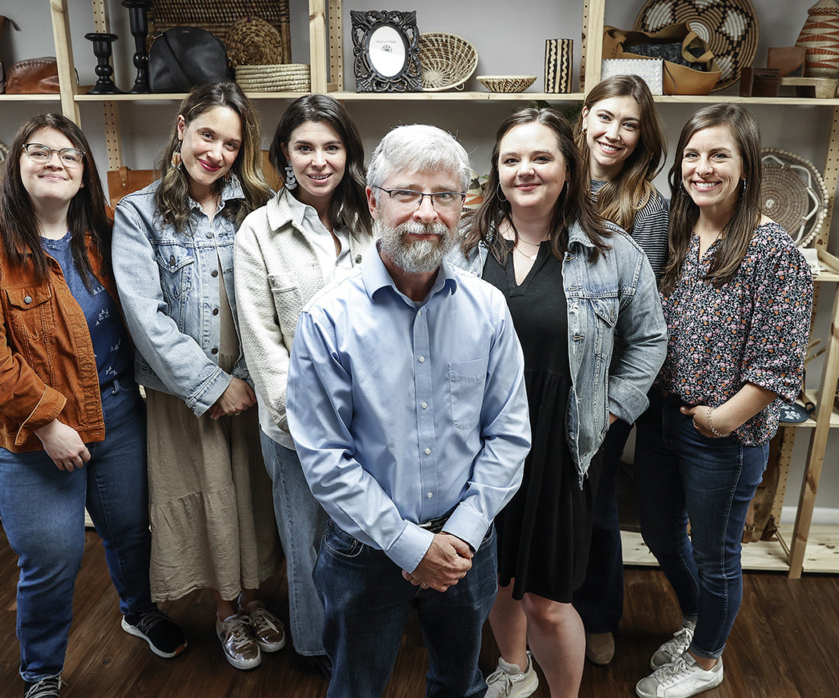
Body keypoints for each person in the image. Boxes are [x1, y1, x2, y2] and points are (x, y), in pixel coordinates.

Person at [0, 114, 185, 698]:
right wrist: (48, 421)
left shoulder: (102, 230)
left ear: (84, 173)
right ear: (18, 164)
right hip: (28, 434)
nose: (55, 163)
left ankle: (137, 610)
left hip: (118, 410)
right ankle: (42, 670)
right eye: (40, 152)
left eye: (69, 155)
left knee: (130, 528)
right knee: (52, 556)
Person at [285, 123, 532, 697]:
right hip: (365, 551)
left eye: (444, 196)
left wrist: (464, 533)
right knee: (356, 687)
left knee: (459, 683)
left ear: (463, 205)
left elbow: (509, 435)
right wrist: (408, 545)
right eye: (407, 194)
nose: (426, 212)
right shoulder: (328, 319)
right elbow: (324, 458)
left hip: (468, 542)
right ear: (373, 200)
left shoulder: (488, 309)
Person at [456, 107, 667, 698]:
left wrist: (613, 406)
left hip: (563, 443)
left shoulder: (612, 250)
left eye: (541, 157)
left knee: (547, 600)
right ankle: (514, 671)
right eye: (511, 159)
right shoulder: (463, 248)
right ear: (496, 170)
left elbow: (649, 338)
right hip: (480, 446)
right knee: (496, 581)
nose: (525, 170)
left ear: (569, 168)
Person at [634, 104, 813, 698]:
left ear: (745, 166)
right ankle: (698, 620)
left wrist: (721, 420)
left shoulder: (771, 247)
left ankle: (708, 660)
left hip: (724, 433)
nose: (702, 168)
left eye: (719, 155)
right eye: (692, 154)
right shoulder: (679, 233)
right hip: (665, 415)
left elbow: (778, 360)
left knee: (717, 554)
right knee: (660, 531)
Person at [111, 82, 284, 673]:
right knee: (209, 496)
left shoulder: (258, 206)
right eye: (207, 135)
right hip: (182, 393)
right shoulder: (139, 212)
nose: (217, 152)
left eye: (231, 144)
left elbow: (270, 297)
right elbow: (144, 313)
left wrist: (245, 377)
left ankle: (256, 596)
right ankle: (225, 607)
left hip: (253, 382)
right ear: (182, 128)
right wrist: (210, 385)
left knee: (252, 494)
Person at [233, 94, 372, 667]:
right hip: (298, 431)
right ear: (284, 155)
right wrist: (310, 421)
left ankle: (365, 638)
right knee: (308, 542)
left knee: (363, 538)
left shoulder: (372, 221)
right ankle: (316, 648)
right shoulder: (258, 233)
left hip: (373, 423)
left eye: (332, 147)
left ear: (348, 154)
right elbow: (262, 344)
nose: (319, 160)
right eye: (305, 147)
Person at [569, 75, 670, 666]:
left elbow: (643, 316)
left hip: (605, 388)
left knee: (596, 504)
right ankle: (540, 606)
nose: (614, 133)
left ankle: (598, 615)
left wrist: (612, 402)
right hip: (544, 379)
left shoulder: (647, 209)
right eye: (605, 117)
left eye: (629, 124)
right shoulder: (554, 177)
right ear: (584, 116)